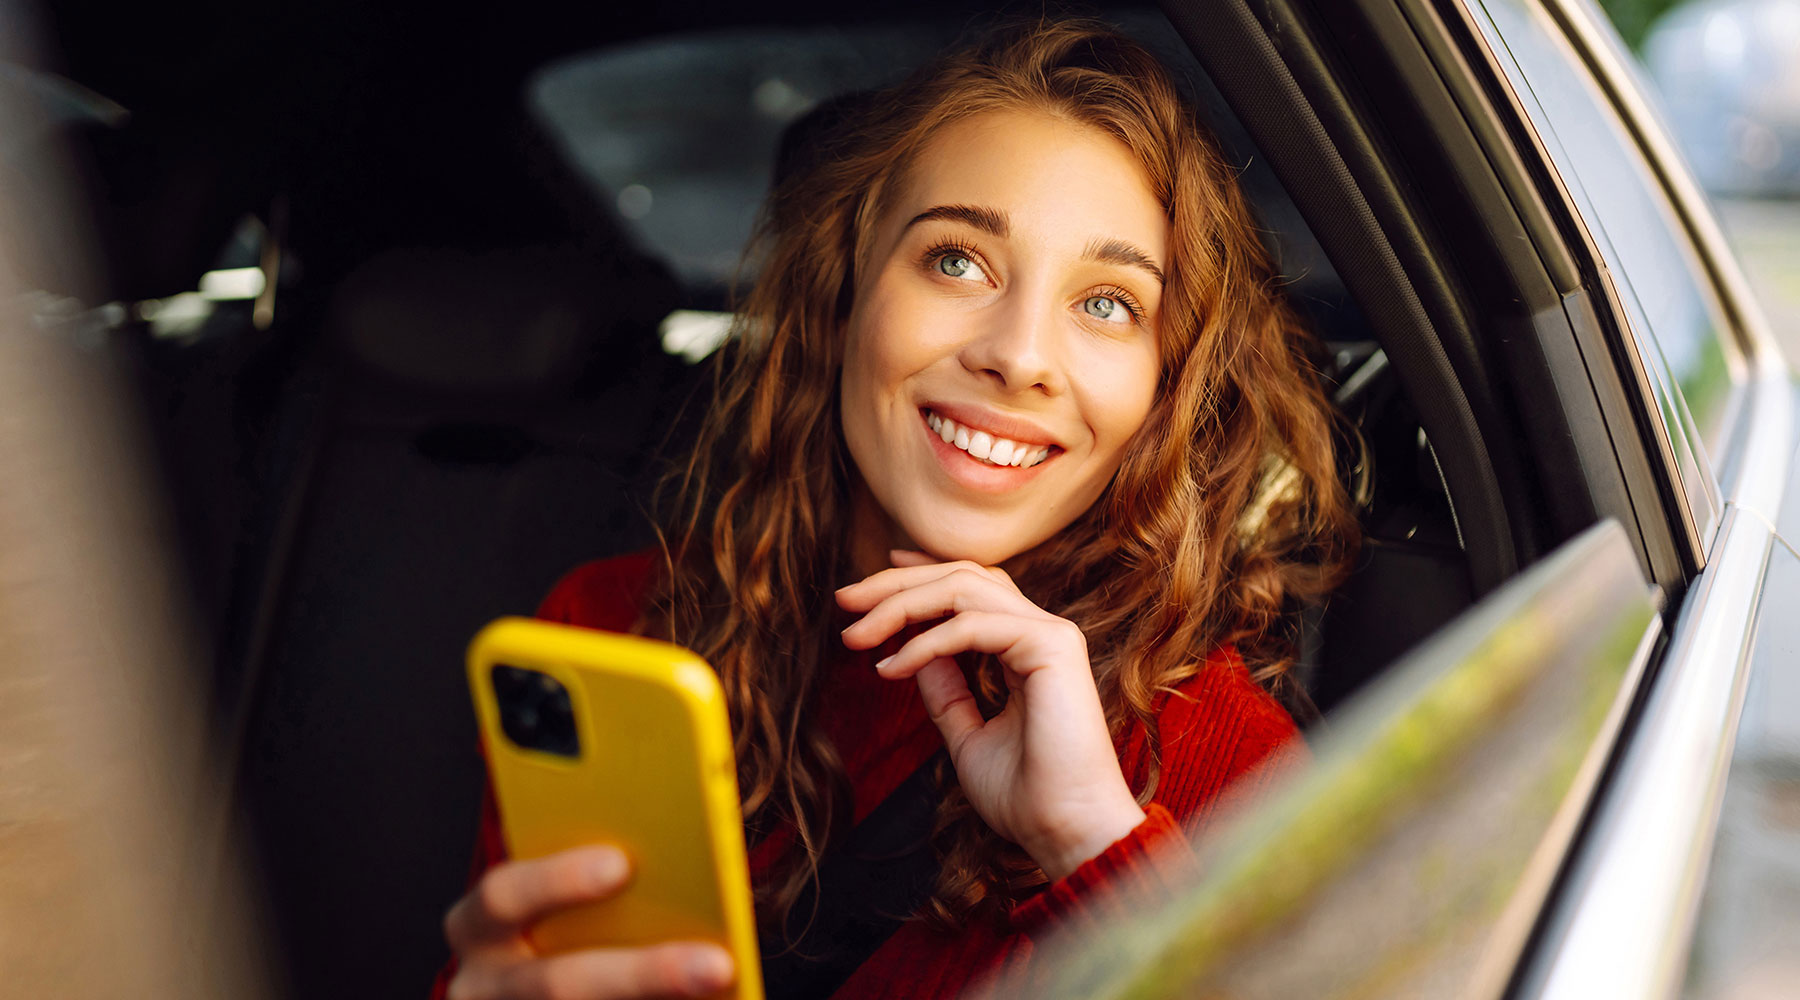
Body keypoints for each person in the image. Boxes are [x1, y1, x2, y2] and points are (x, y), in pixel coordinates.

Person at [436, 18, 1358, 1000]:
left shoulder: (1220, 751)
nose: (1020, 355)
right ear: (845, 296)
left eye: (1108, 304)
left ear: (1166, 388)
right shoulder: (613, 629)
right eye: (957, 260)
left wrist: (1094, 846)